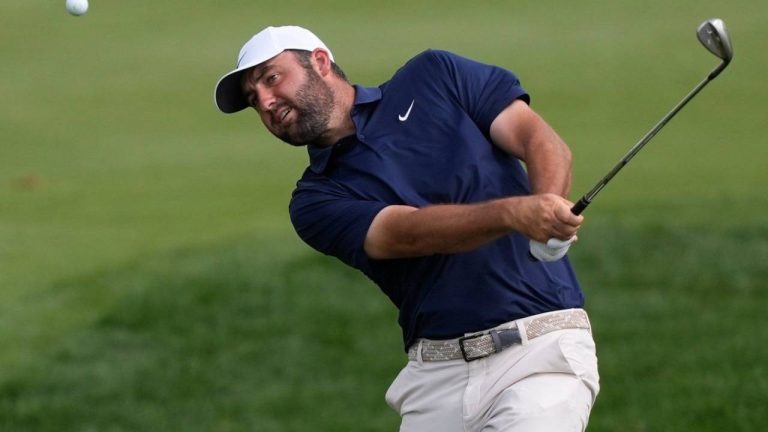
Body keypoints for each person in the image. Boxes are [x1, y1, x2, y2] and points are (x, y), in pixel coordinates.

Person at [214, 25, 599, 432]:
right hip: (435, 379)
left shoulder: (435, 75)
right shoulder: (314, 201)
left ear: (320, 62)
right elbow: (408, 233)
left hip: (539, 353)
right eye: (254, 100)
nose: (267, 102)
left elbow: (535, 137)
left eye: (272, 79)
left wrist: (548, 212)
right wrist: (515, 214)